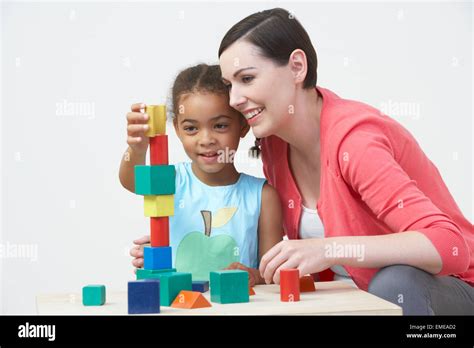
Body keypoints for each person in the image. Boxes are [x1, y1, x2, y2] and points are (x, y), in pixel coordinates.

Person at [218, 8, 473, 314]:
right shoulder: (274, 144)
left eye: (247, 78)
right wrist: (261, 274)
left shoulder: (355, 142)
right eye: (229, 85)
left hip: (445, 294)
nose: (234, 99)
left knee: (393, 283)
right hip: (358, 303)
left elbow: (450, 245)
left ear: (297, 67)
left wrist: (330, 249)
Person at [120, 64, 283, 286]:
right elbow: (132, 181)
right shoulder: (172, 180)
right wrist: (137, 149)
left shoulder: (263, 196)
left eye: (220, 125)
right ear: (177, 128)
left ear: (243, 126)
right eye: (191, 128)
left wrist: (255, 276)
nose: (206, 139)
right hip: (177, 308)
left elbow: (272, 274)